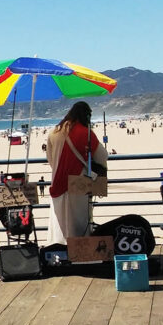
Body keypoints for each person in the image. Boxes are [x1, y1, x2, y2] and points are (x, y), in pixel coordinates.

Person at [45, 101, 108, 245]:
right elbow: (102, 156)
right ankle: (79, 251)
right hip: (79, 182)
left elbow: (50, 160)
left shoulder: (54, 132)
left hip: (57, 182)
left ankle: (60, 249)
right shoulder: (86, 133)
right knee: (80, 222)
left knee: (60, 223)